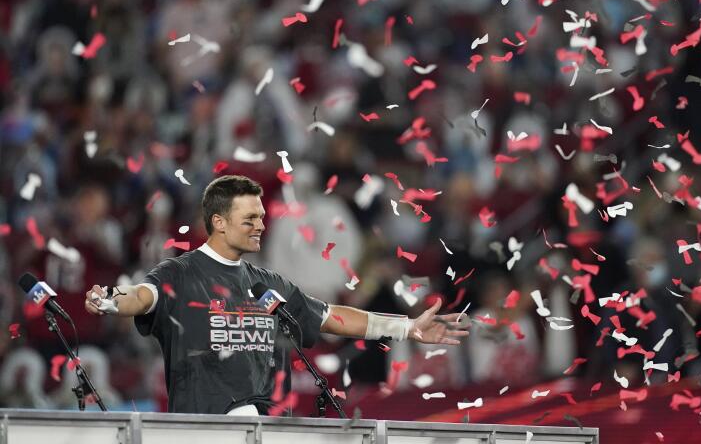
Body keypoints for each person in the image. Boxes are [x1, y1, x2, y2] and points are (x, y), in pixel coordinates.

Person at [84, 175, 469, 415]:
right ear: (218, 222)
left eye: (262, 217)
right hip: (200, 431)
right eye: (249, 219)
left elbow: (331, 316)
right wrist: (112, 300)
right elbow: (144, 296)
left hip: (255, 428)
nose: (261, 226)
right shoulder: (180, 273)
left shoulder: (266, 282)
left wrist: (406, 329)